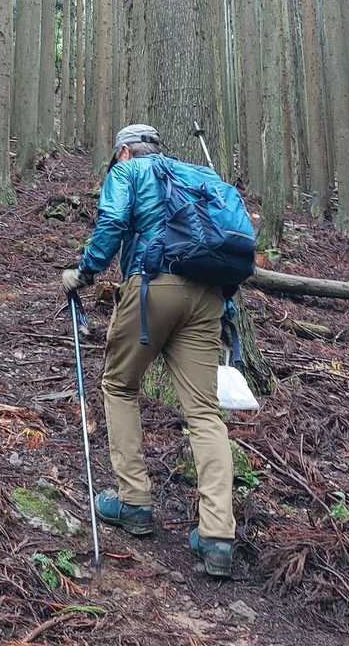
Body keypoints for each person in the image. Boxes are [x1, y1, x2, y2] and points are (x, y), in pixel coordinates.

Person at [61, 123, 236, 578]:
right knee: (204, 413)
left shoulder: (128, 172)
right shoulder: (197, 175)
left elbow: (113, 221)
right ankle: (218, 535)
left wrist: (85, 272)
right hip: (208, 296)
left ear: (124, 151)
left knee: (119, 385)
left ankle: (134, 501)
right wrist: (228, 308)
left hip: (152, 288)